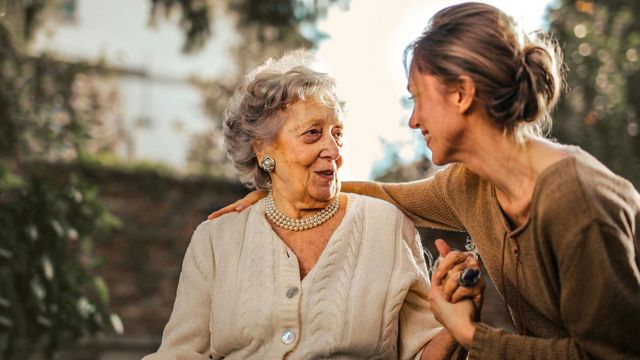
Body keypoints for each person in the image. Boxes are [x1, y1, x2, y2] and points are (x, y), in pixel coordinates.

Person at [209, 3, 640, 359]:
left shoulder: (576, 201)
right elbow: (383, 194)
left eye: (417, 98)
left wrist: (471, 335)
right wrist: (280, 193)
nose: (413, 120)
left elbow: (612, 354)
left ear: (461, 93)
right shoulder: (469, 185)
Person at [144, 51, 482, 360]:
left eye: (337, 133)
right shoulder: (216, 240)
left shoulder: (387, 226)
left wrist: (457, 325)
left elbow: (423, 353)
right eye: (312, 134)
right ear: (263, 150)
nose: (333, 151)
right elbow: (180, 353)